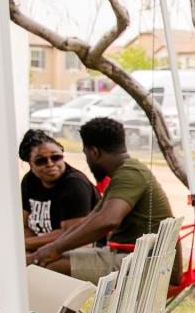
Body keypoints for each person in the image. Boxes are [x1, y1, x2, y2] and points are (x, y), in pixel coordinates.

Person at [26, 116, 174, 282]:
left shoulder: (130, 174)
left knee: (49, 267)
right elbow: (91, 220)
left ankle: (44, 309)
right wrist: (48, 250)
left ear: (94, 152)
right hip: (132, 256)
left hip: (146, 263)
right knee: (46, 260)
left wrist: (53, 250)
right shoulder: (124, 173)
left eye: (86, 154)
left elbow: (107, 220)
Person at [18, 128, 97, 252]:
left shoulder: (75, 184)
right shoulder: (29, 181)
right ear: (30, 163)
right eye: (41, 161)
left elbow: (71, 234)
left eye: (56, 157)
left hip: (77, 248)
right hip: (45, 249)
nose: (50, 164)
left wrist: (25, 245)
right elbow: (23, 224)